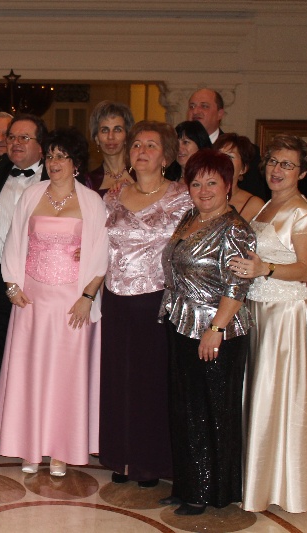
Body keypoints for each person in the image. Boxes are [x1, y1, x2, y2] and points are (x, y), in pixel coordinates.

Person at [0, 128, 107, 477]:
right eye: (51, 156)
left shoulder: (92, 202)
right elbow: (13, 243)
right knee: (31, 374)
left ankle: (61, 450)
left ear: (75, 162)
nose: (54, 163)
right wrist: (12, 286)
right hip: (33, 302)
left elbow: (100, 255)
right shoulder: (31, 194)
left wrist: (87, 297)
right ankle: (30, 445)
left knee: (66, 378)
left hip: (72, 303)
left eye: (62, 156)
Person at [159, 149, 256, 516]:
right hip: (181, 323)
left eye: (212, 182)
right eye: (196, 183)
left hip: (218, 331)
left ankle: (209, 490)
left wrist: (215, 328)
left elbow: (237, 284)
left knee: (213, 410)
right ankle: (188, 484)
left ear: (228, 185)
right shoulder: (191, 216)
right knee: (186, 407)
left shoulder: (234, 228)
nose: (203, 190)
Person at [230, 134, 307, 513]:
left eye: (287, 164)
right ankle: (257, 479)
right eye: (273, 162)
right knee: (258, 397)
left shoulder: (303, 213)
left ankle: (283, 485)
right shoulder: (267, 206)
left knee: (277, 399)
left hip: (284, 317)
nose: (277, 169)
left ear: (303, 172)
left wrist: (264, 268)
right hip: (258, 310)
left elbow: (306, 270)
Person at [99, 120, 192, 487]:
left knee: (152, 383)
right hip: (115, 300)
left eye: (151, 145)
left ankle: (150, 462)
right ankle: (120, 457)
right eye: (137, 144)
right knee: (117, 380)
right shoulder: (112, 197)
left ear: (166, 156)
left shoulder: (184, 197)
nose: (141, 151)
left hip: (158, 299)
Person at [0, 114, 47, 450]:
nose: (16, 143)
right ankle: (5, 426)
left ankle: (38, 425)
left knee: (37, 353)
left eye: (24, 137)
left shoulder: (55, 179)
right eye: (12, 137)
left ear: (41, 146)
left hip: (42, 280)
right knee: (6, 351)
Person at [186, 88, 268, 200]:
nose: (195, 111)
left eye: (204, 106)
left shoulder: (246, 151)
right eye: (192, 106)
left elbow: (255, 195)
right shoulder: (179, 150)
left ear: (220, 114)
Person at [85, 101, 135, 196]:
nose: (110, 136)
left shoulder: (140, 174)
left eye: (117, 129)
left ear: (127, 136)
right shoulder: (89, 182)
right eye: (104, 130)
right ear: (97, 138)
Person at [213, 133, 265, 221]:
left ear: (243, 169)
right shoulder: (202, 195)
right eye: (218, 155)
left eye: (229, 157)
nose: (222, 161)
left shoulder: (254, 205)